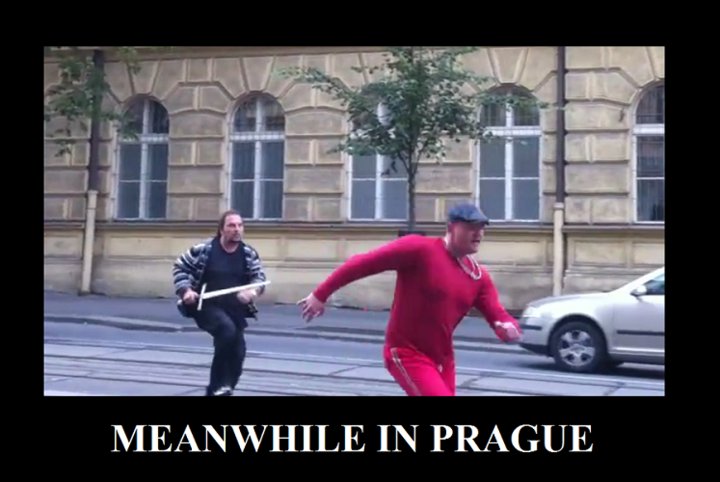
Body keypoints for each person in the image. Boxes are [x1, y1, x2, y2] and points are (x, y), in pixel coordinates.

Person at [297, 202, 522, 396]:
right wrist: (320, 294)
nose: (478, 233)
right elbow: (361, 263)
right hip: (406, 352)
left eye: (482, 228)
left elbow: (498, 315)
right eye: (471, 227)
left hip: (443, 361)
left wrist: (508, 329)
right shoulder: (419, 249)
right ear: (451, 227)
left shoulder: (478, 277)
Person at [172, 209, 267, 396]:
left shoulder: (248, 253)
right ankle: (217, 386)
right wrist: (186, 290)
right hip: (206, 306)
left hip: (235, 309)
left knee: (238, 352)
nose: (237, 229)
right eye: (231, 225)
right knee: (226, 330)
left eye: (240, 225)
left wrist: (252, 291)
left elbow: (259, 278)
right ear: (221, 229)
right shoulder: (204, 250)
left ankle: (225, 388)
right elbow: (180, 267)